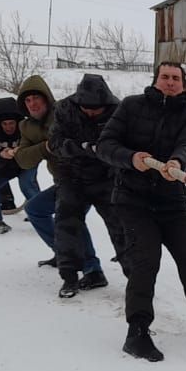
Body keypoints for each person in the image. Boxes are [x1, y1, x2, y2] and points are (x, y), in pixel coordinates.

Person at [96, 61, 186, 362]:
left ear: (183, 83)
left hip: (172, 201)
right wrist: (132, 158)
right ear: (156, 79)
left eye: (176, 78)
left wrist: (178, 162)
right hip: (132, 199)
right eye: (165, 77)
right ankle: (137, 332)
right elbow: (106, 145)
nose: (170, 82)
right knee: (146, 260)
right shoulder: (130, 106)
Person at [14, 75, 104, 296]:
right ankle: (63, 253)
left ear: (47, 99)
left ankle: (93, 270)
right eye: (28, 101)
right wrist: (47, 147)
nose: (33, 104)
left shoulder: (65, 113)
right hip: (64, 182)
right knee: (35, 209)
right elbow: (23, 159)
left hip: (94, 178)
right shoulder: (26, 126)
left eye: (37, 98)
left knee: (72, 217)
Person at [49, 73, 127, 297]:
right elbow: (54, 142)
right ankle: (70, 276)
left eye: (96, 108)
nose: (91, 112)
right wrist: (82, 147)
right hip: (72, 176)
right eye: (86, 108)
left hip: (107, 178)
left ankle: (135, 277)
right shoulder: (64, 108)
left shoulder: (118, 111)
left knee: (121, 227)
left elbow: (125, 144)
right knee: (66, 223)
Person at [0, 97, 39, 235]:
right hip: (5, 166)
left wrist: (20, 153)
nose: (9, 127)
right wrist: (2, 155)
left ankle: (41, 216)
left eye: (12, 123)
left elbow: (36, 150)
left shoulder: (27, 128)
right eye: (5, 124)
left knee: (27, 184)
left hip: (26, 164)